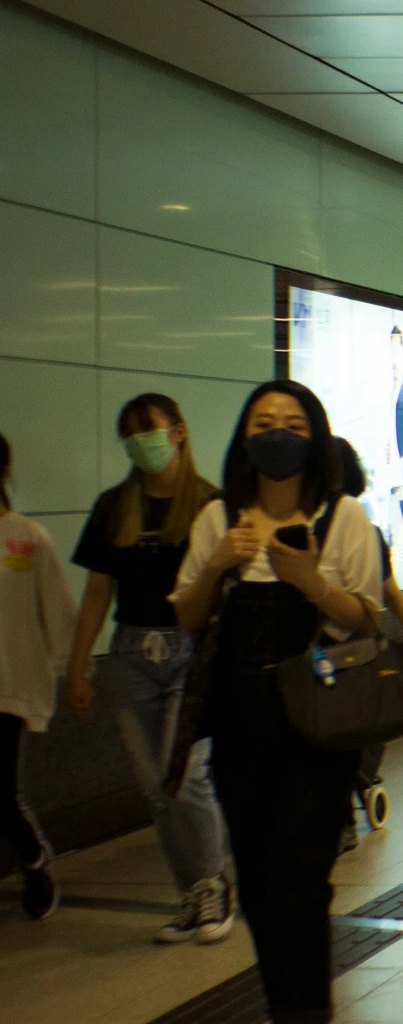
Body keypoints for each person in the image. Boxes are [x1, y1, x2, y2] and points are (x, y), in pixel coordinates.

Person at [172, 381, 387, 1024]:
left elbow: (366, 618)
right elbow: (187, 618)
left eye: (293, 422)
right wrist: (215, 565)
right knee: (259, 880)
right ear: (244, 437)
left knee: (299, 874)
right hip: (240, 717)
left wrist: (309, 580)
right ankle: (288, 1021)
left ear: (316, 437)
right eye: (264, 422)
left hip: (316, 722)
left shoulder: (343, 516)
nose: (277, 432)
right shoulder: (218, 519)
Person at [63, 393, 235, 942]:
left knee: (185, 778)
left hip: (194, 652)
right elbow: (96, 592)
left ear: (179, 432)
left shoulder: (211, 505)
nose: (143, 445)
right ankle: (192, 892)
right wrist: (77, 667)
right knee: (155, 787)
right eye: (130, 437)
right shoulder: (115, 506)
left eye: (151, 432)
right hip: (132, 654)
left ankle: (214, 887)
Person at [335, 439, 403, 854]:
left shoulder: (361, 530)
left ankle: (356, 789)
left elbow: (391, 591)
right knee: (343, 732)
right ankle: (355, 790)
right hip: (342, 653)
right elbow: (391, 592)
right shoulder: (309, 528)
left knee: (350, 732)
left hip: (353, 650)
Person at [1, 433, 74, 921]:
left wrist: (73, 673)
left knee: (0, 795)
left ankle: (34, 859)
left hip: (9, 686)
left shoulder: (26, 537)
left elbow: (58, 612)